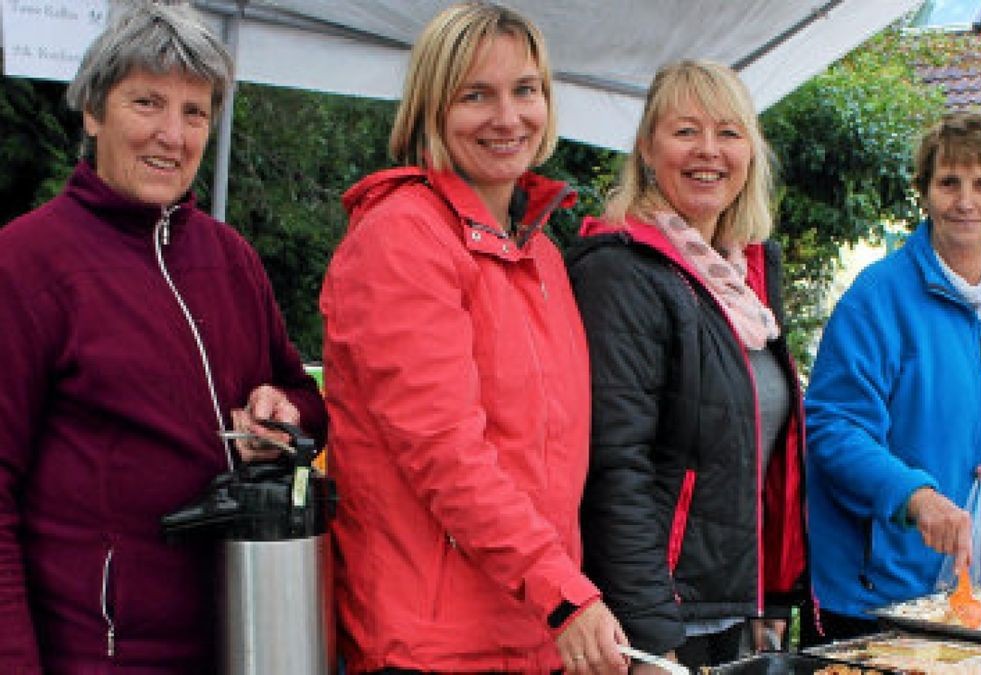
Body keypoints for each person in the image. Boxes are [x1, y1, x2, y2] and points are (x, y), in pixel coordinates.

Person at [0, 1, 328, 672]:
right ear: (93, 111)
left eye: (195, 111)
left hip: (249, 638)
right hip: (100, 654)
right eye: (147, 102)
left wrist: (286, 412)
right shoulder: (25, 262)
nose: (172, 135)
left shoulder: (232, 259)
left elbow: (305, 399)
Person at [320, 3, 627, 673]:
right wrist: (562, 592)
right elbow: (446, 451)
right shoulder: (400, 236)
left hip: (530, 634)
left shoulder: (540, 251)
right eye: (476, 95)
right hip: (429, 646)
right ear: (433, 108)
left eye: (525, 90)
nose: (508, 117)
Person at [567, 60, 808, 671]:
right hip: (654, 617)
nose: (709, 151)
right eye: (685, 131)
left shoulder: (740, 278)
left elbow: (752, 458)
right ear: (648, 146)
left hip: (723, 607)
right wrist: (651, 638)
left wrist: (767, 595)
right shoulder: (620, 271)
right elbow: (614, 467)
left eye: (728, 132)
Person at [803, 110, 981, 641]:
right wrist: (915, 497)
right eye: (949, 182)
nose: (965, 201)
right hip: (881, 595)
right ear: (924, 192)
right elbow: (833, 428)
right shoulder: (877, 298)